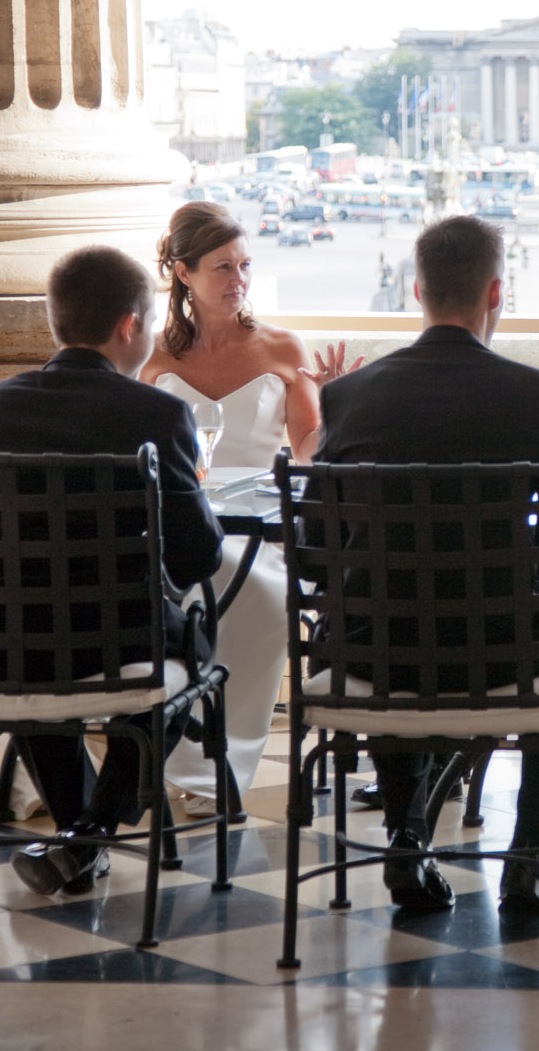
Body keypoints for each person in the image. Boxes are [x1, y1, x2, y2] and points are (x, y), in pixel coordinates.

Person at [317, 214, 539, 915]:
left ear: (417, 290)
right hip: (504, 655)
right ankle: (523, 860)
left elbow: (322, 546)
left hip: (376, 657)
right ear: (496, 292)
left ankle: (407, 833)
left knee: (389, 604)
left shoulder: (348, 396)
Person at [0, 246, 223, 894]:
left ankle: (79, 838)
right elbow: (197, 557)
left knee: (35, 647)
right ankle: (93, 829)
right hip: (115, 643)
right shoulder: (156, 415)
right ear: (130, 325)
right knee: (191, 640)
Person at [140, 202, 359, 811]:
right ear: (183, 273)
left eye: (244, 265)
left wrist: (335, 408)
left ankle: (219, 767)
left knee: (260, 592)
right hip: (180, 523)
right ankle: (167, 751)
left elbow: (309, 452)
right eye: (221, 267)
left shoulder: (282, 348)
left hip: (261, 524)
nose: (238, 279)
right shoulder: (153, 359)